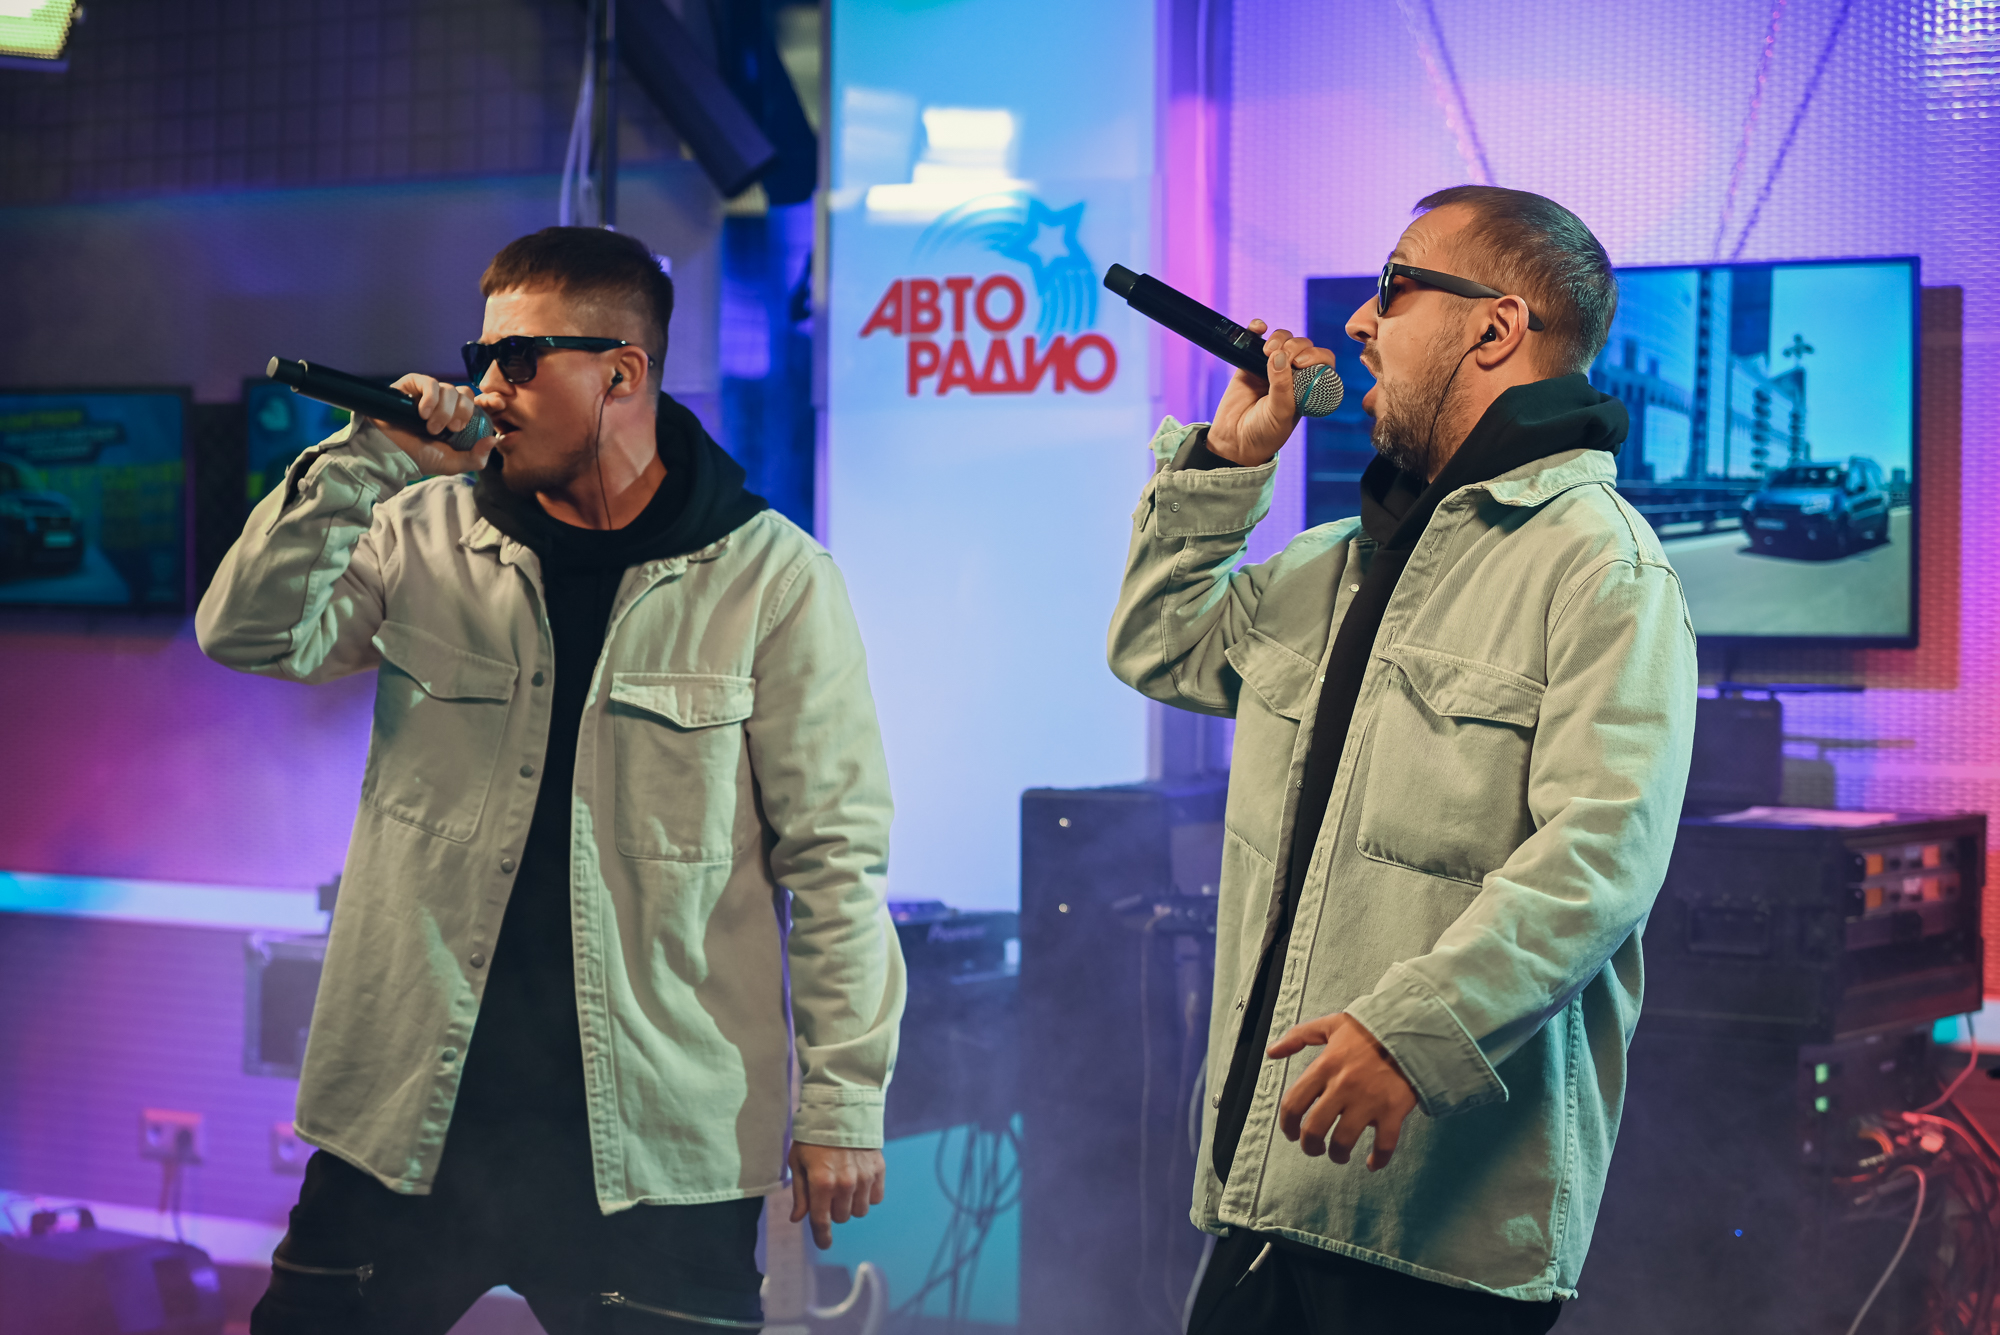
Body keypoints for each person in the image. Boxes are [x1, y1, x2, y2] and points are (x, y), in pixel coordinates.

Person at [198, 226, 903, 1334]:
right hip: (409, 1120)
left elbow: (835, 862)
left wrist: (843, 1101)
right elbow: (249, 634)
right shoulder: (419, 530)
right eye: (480, 356)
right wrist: (367, 459)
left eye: (519, 360)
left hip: (656, 1150)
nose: (487, 387)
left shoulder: (772, 578)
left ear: (621, 373)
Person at [1107, 186, 1696, 1333]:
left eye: (1392, 285)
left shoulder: (1601, 569)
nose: (1357, 323)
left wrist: (1412, 1031)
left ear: (1495, 327)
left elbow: (1598, 858)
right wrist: (1225, 463)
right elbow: (1157, 644)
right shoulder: (1338, 560)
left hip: (1433, 1237)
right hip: (1265, 1191)